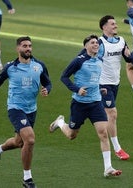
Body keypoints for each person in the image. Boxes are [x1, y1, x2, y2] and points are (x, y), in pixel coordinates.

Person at [0, 36, 52, 188]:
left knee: (19, 142)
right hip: (15, 108)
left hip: (32, 109)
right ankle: (27, 179)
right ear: (18, 48)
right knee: (30, 140)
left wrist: (47, 90)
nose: (28, 49)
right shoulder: (10, 67)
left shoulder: (39, 65)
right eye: (25, 46)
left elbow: (48, 82)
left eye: (30, 46)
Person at [49, 34, 122, 177]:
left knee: (103, 133)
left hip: (95, 103)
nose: (96, 45)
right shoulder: (79, 61)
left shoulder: (100, 60)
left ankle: (108, 168)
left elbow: (94, 79)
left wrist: (100, 89)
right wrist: (77, 89)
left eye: (97, 43)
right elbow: (64, 77)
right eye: (93, 43)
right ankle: (60, 122)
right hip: (79, 104)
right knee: (71, 135)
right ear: (86, 46)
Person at [98, 15, 131, 160]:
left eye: (115, 24)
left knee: (74, 130)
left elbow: (129, 59)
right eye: (112, 24)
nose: (115, 26)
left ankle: (62, 124)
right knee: (112, 113)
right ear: (104, 27)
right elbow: (87, 61)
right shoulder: (99, 43)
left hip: (115, 83)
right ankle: (117, 148)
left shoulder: (122, 41)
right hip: (102, 84)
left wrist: (131, 56)